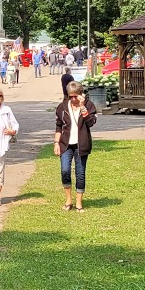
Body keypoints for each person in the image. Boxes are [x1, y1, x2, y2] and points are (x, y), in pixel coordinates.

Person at [54, 81, 97, 212]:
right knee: (65, 170)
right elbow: (59, 126)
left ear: (81, 94)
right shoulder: (62, 107)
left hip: (81, 144)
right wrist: (56, 143)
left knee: (80, 173)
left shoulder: (88, 105)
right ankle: (68, 199)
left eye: (75, 96)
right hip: (65, 144)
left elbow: (91, 122)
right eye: (70, 96)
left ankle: (79, 202)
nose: (73, 99)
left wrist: (83, 106)